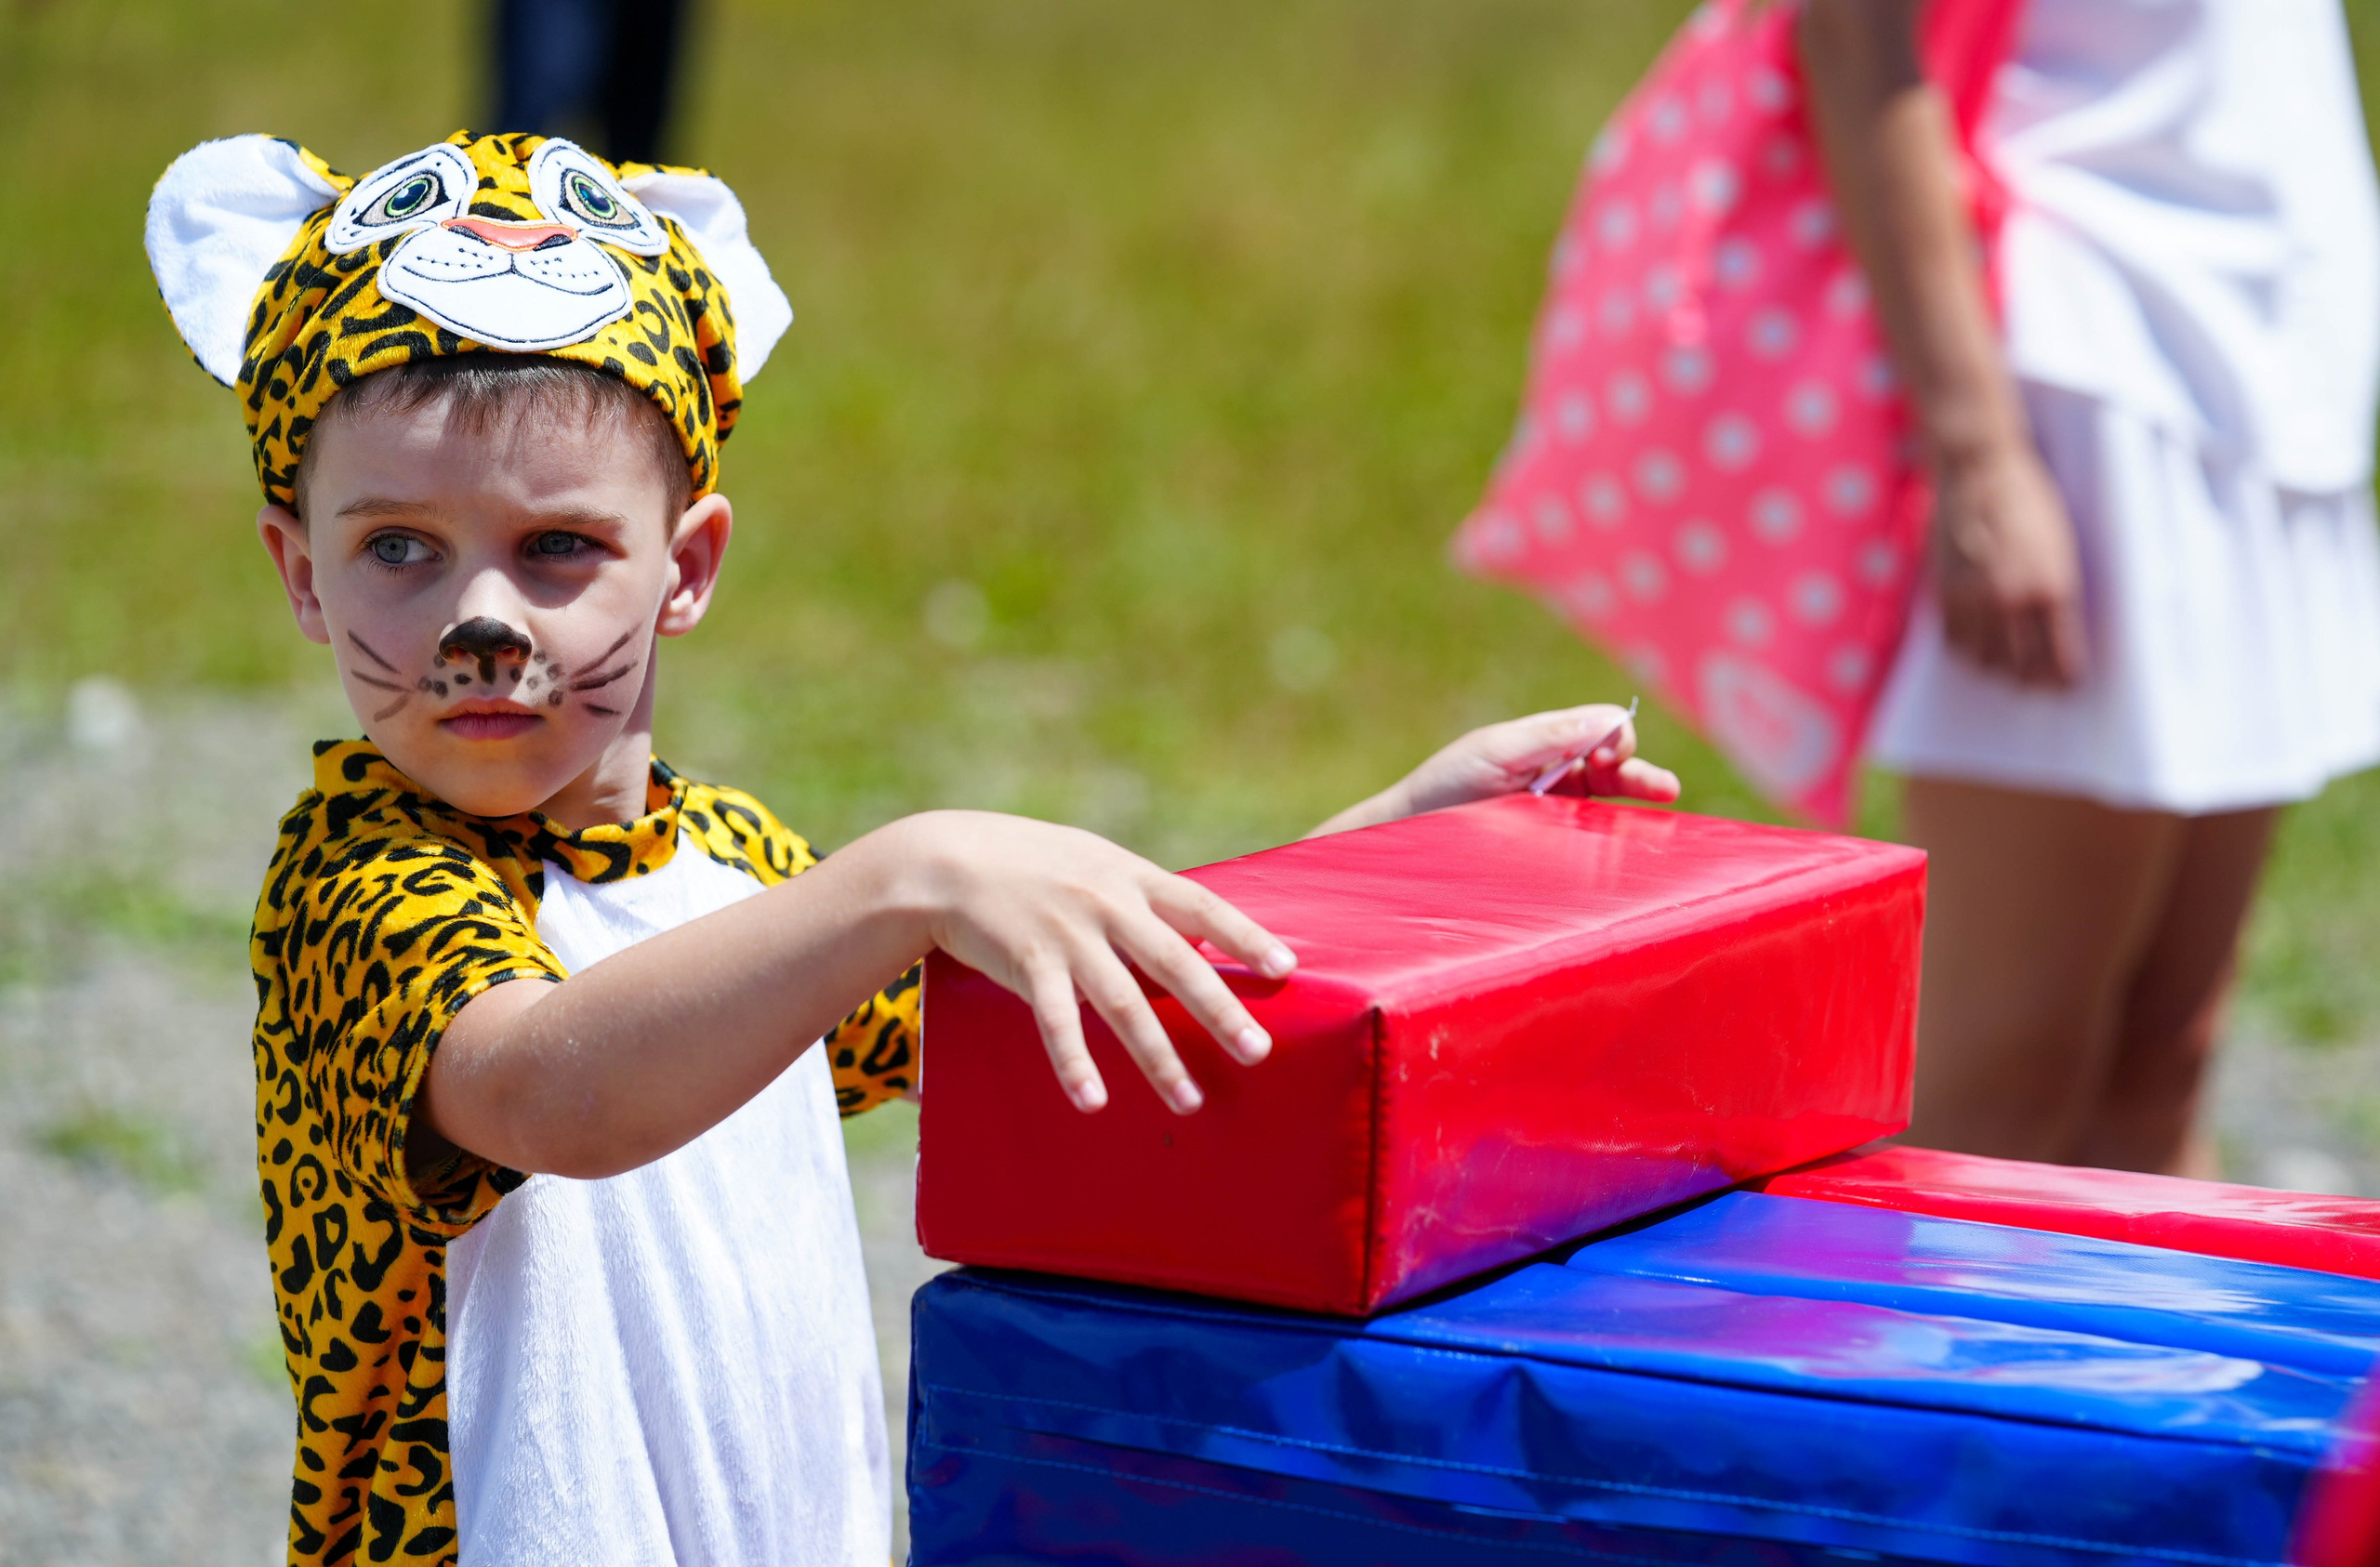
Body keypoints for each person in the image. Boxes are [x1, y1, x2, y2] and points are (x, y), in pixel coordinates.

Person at [143, 130, 1678, 1566]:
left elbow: (1056, 1002)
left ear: (687, 569)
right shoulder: (362, 875)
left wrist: (1401, 840)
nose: (482, 625)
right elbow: (554, 1088)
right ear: (299, 571)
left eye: (557, 548)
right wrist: (902, 877)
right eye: (398, 549)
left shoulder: (737, 865)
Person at [1801, 0, 2380, 1174]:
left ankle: (2160, 1366)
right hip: (2088, 379)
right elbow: (1851, 29)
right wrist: (1979, 449)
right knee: (2000, 1081)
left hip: (2260, 359)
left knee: (2162, 1059)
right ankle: (1886, 1354)